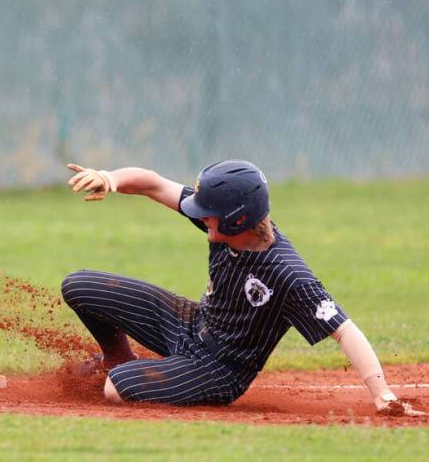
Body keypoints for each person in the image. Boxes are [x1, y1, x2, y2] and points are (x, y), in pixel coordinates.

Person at [61, 159, 422, 416]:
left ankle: (128, 371)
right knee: (78, 286)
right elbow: (153, 183)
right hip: (192, 322)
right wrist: (109, 178)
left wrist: (383, 394)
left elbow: (344, 331)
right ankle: (117, 357)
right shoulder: (221, 223)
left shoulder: (287, 275)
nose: (200, 215)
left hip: (219, 369)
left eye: (208, 212)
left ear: (238, 219)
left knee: (116, 388)